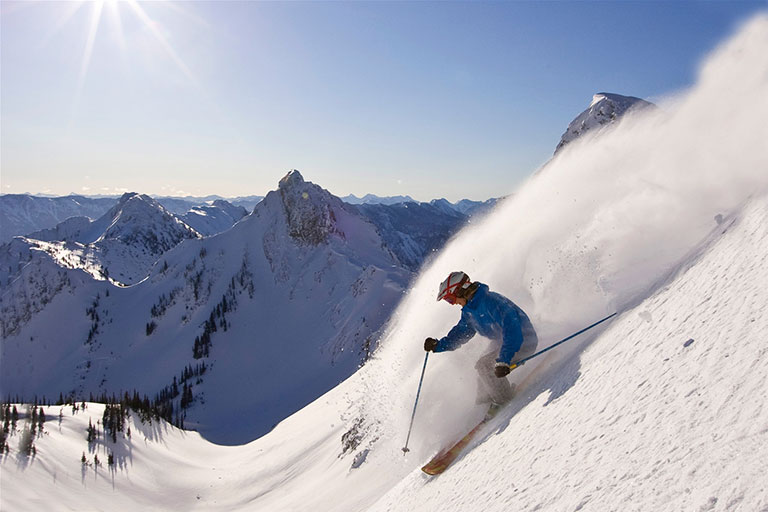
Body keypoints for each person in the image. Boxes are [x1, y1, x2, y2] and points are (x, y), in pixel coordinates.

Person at [424, 271, 538, 407]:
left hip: (524, 341)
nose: (453, 304)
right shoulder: (469, 311)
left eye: (450, 299)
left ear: (460, 291)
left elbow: (512, 329)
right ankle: (484, 402)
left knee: (485, 367)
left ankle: (503, 400)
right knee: (481, 369)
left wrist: (504, 360)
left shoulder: (491, 302)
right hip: (504, 343)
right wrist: (438, 345)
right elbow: (460, 334)